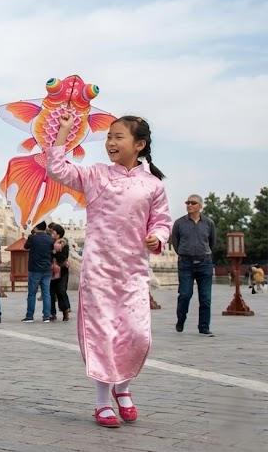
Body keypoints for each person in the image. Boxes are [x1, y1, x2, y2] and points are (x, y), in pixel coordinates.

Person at [47, 112, 171, 428]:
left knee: (137, 334)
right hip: (99, 270)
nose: (111, 143)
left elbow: (161, 220)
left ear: (139, 144)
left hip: (132, 271)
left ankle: (123, 387)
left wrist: (157, 237)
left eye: (118, 137)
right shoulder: (96, 175)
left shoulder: (153, 185)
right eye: (109, 137)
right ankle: (102, 401)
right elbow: (58, 169)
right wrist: (62, 133)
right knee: (102, 333)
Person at [170, 195, 216, 336]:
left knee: (205, 298)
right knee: (184, 294)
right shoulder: (179, 223)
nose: (189, 205)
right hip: (186, 264)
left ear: (200, 206)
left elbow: (212, 242)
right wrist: (184, 253)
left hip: (205, 264)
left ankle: (204, 327)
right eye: (187, 202)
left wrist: (203, 253)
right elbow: (175, 242)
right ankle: (181, 319)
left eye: (193, 203)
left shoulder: (209, 223)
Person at [23, 221, 54, 323]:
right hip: (47, 269)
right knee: (46, 293)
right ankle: (46, 316)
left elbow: (26, 247)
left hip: (35, 269)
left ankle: (30, 316)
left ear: (36, 227)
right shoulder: (50, 239)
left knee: (32, 293)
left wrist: (30, 235)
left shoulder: (33, 237)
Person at [49, 223, 72, 322]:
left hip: (62, 272)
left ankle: (65, 311)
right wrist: (52, 251)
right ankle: (52, 313)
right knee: (50, 293)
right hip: (51, 272)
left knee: (61, 291)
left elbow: (63, 258)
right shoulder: (50, 243)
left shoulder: (64, 244)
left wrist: (55, 252)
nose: (51, 235)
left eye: (53, 233)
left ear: (58, 235)